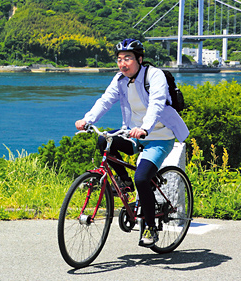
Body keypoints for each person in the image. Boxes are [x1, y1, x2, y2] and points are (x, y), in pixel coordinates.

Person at [75, 38, 189, 247]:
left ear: (139, 59)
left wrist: (145, 127)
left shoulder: (155, 76)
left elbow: (156, 103)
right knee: (104, 141)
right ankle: (124, 182)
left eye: (127, 58)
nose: (122, 63)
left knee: (143, 178)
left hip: (159, 137)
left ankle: (150, 227)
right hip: (133, 134)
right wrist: (87, 119)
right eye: (119, 59)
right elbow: (105, 100)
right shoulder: (120, 80)